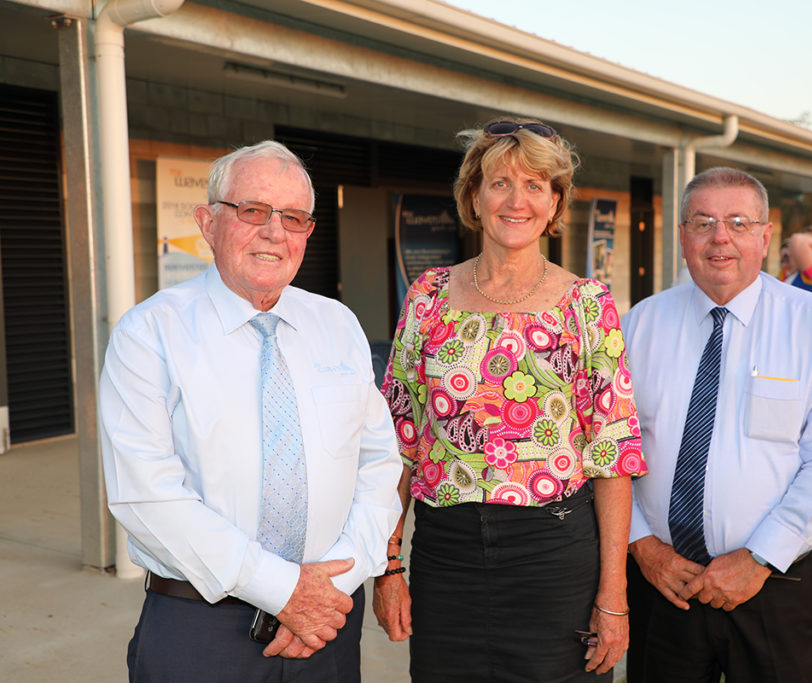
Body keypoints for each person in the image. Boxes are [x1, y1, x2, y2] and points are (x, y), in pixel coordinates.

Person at [99, 140, 403, 681]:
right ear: (206, 222)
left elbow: (378, 464)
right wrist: (284, 589)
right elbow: (145, 494)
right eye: (252, 211)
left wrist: (334, 583)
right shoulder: (150, 333)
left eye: (293, 217)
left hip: (328, 625)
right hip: (201, 628)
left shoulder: (337, 325)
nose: (274, 232)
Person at [374, 118, 646, 681]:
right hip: (445, 557)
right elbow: (396, 440)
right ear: (474, 196)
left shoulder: (587, 305)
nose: (516, 200)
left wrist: (613, 595)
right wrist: (388, 564)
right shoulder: (427, 298)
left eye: (535, 185)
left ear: (554, 202)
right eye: (500, 183)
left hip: (553, 556)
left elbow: (612, 456)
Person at [621, 167, 812, 682]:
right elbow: (612, 448)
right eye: (703, 221)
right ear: (683, 235)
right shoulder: (639, 324)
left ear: (765, 235)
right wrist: (642, 546)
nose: (720, 237)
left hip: (774, 584)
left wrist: (757, 560)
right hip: (663, 585)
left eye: (737, 221)